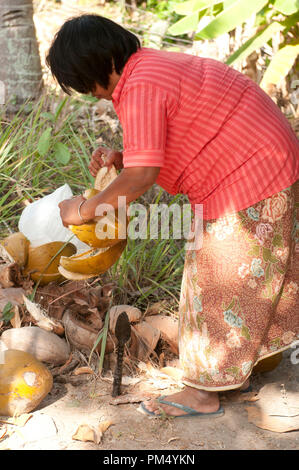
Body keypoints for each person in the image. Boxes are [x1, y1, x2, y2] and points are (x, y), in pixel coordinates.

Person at [46, 14, 299, 418]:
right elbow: (171, 140)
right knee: (242, 279)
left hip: (248, 173)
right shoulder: (149, 68)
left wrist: (84, 208)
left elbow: (143, 176)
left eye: (81, 83)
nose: (89, 94)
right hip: (264, 162)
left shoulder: (140, 86)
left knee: (213, 283)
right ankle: (232, 370)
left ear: (92, 67)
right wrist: (121, 159)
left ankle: (202, 394)